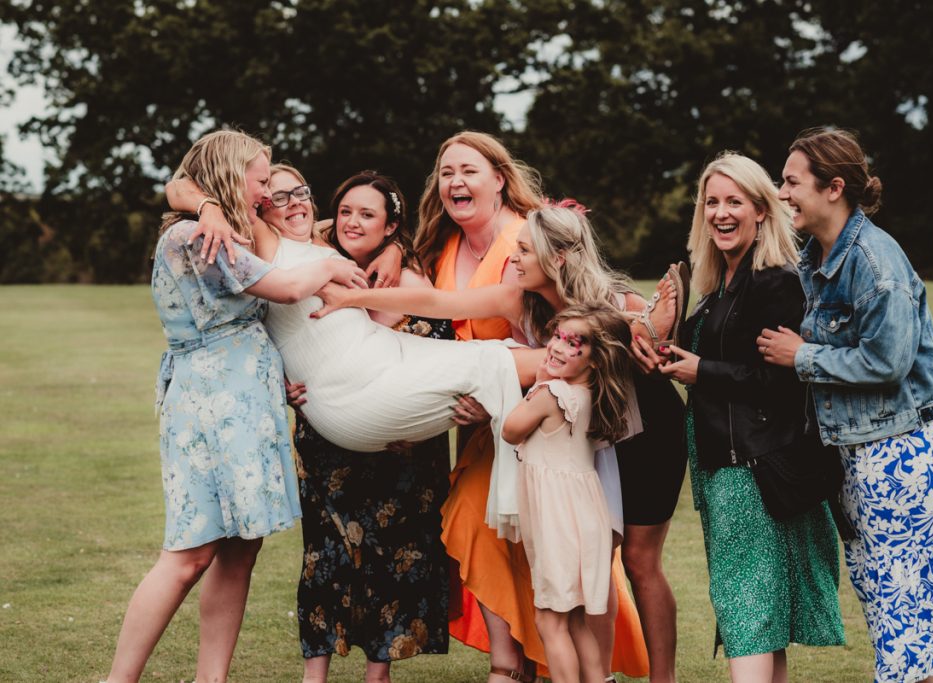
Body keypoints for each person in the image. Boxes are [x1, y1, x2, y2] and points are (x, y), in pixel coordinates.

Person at [314, 201, 667, 680]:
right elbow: (439, 304)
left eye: (522, 250)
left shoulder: (611, 306)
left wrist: (654, 327)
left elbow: (657, 346)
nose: (513, 259)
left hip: (624, 444)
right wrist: (353, 301)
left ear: (557, 257)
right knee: (567, 578)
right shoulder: (516, 299)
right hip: (558, 450)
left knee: (600, 575)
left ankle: (598, 673)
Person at [103, 129, 372, 683]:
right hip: (211, 403)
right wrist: (328, 269)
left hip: (247, 399)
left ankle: (212, 678)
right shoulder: (192, 236)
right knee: (189, 553)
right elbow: (288, 287)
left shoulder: (230, 228)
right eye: (259, 179)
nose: (268, 193)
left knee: (240, 548)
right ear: (230, 176)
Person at [758, 127, 933, 683]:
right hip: (862, 462)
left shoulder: (876, 263)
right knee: (900, 614)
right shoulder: (817, 257)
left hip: (909, 459)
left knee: (911, 609)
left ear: (833, 188)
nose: (782, 193)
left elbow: (889, 363)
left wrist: (802, 356)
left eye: (790, 181)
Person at [642, 152, 845, 682]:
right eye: (712, 202)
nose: (721, 213)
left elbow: (782, 382)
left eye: (734, 201)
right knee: (756, 616)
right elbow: (721, 363)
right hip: (722, 468)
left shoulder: (775, 280)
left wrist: (701, 371)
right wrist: (673, 354)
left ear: (761, 209)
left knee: (746, 613)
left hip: (750, 472)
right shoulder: (720, 283)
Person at [267, 167, 453, 683]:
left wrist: (398, 254)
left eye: (367, 214)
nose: (352, 221)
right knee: (323, 555)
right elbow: (280, 333)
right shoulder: (316, 262)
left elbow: (442, 358)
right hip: (328, 443)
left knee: (393, 557)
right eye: (345, 210)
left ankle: (379, 674)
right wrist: (281, 380)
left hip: (405, 451)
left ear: (392, 226)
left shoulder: (414, 278)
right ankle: (315, 674)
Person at [502, 304, 637, 683]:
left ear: (595, 360)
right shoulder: (593, 397)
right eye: (558, 336)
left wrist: (538, 381)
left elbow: (511, 430)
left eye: (574, 342)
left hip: (558, 522)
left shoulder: (552, 394)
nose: (559, 347)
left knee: (549, 619)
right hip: (586, 518)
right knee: (576, 619)